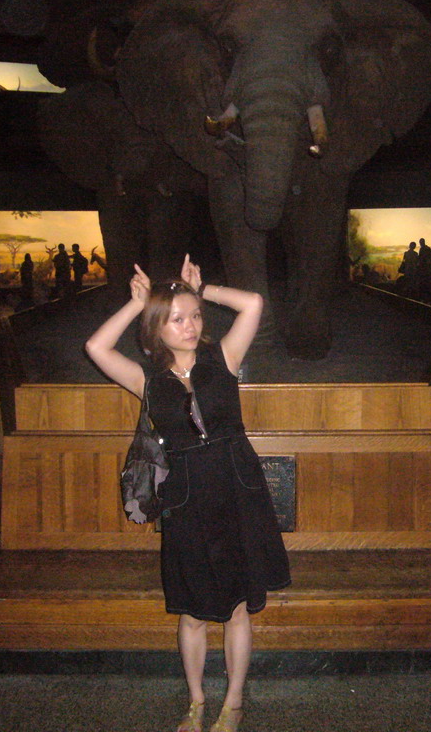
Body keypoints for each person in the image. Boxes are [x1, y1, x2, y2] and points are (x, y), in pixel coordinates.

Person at [85, 254, 290, 732]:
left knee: (239, 605)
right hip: (186, 497)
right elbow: (96, 345)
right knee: (193, 610)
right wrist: (137, 304)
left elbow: (254, 303)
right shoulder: (146, 379)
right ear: (156, 328)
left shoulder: (224, 358)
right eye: (177, 319)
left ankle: (234, 702)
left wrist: (204, 291)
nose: (192, 326)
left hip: (238, 490)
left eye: (195, 316)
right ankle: (197, 700)